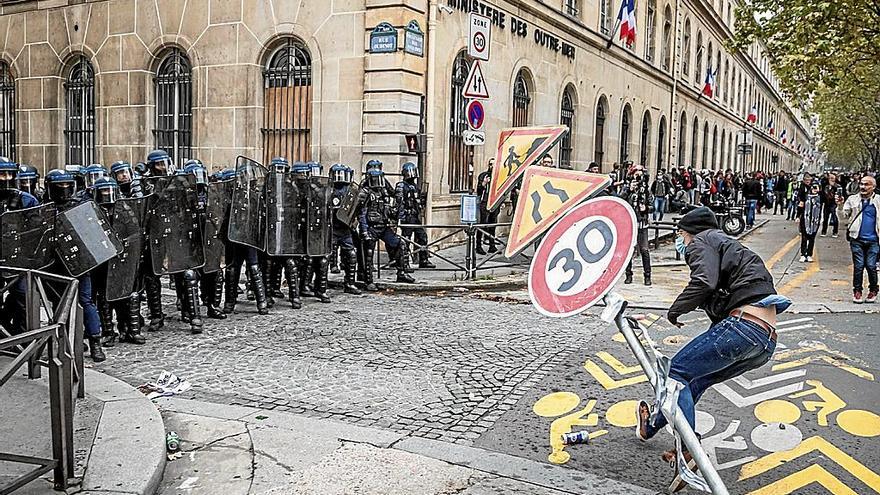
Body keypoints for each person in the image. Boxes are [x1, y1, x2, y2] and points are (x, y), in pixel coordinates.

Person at [635, 207, 786, 491]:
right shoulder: (729, 246)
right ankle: (651, 426)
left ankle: (689, 451)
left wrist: (675, 311)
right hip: (764, 341)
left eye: (680, 234)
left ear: (690, 232)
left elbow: (704, 281)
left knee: (675, 372)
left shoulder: (701, 241)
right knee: (693, 381)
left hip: (744, 327)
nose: (680, 240)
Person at [842, 175, 879, 303]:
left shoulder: (878, 200)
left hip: (874, 239)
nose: (863, 187)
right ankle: (857, 291)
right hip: (856, 238)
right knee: (858, 266)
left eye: (867, 184)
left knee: (870, 265)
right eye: (862, 184)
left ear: (873, 187)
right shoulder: (853, 199)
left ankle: (873, 290)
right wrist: (840, 204)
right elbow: (845, 214)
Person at [396, 162, 435, 269]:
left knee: (422, 237)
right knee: (406, 240)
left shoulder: (414, 186)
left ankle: (423, 259)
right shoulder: (401, 186)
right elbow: (399, 203)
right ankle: (404, 263)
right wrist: (400, 217)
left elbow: (418, 201)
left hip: (415, 216)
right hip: (407, 217)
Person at [620, 164, 653, 286]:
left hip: (642, 223)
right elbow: (620, 200)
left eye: (640, 173)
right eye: (636, 173)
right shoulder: (627, 187)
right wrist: (629, 189)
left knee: (644, 250)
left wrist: (646, 208)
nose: (638, 175)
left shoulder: (646, 190)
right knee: (629, 250)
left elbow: (652, 206)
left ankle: (647, 276)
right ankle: (628, 275)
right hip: (629, 222)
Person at [476, 158, 499, 254]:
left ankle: (492, 245)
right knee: (482, 224)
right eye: (491, 164)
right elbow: (478, 191)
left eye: (494, 164)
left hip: (495, 203)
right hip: (484, 202)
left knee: (493, 224)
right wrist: (484, 183)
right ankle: (478, 246)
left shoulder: (499, 176)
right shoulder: (483, 175)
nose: (492, 166)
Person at [799, 183, 822, 262]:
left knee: (812, 238)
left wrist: (820, 192)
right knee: (804, 237)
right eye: (813, 187)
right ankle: (803, 254)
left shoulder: (820, 197)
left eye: (816, 187)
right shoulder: (805, 196)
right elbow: (800, 205)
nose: (814, 189)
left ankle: (809, 254)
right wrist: (798, 216)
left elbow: (829, 201)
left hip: (815, 220)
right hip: (805, 219)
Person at [820, 173, 842, 237]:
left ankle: (835, 232)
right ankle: (824, 231)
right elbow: (823, 194)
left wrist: (833, 187)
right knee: (825, 218)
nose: (831, 180)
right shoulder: (826, 186)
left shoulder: (838, 186)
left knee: (834, 217)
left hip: (833, 203)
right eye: (830, 178)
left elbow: (840, 195)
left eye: (832, 178)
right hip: (827, 204)